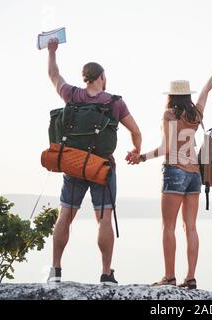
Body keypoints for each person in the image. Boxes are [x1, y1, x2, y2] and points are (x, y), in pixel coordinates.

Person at [127, 57, 212, 289]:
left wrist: (142, 157)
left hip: (175, 171)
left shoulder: (169, 115)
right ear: (187, 95)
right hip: (194, 174)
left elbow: (167, 148)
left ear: (171, 96)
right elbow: (206, 91)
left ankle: (169, 277)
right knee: (191, 227)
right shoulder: (196, 115)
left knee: (168, 227)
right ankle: (191, 279)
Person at [46, 38, 142, 285]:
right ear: (102, 76)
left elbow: (53, 74)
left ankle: (55, 271)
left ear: (85, 78)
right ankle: (106, 273)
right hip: (102, 167)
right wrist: (135, 150)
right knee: (104, 218)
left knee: (65, 214)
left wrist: (52, 51)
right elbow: (136, 131)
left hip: (74, 164)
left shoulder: (71, 94)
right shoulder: (114, 102)